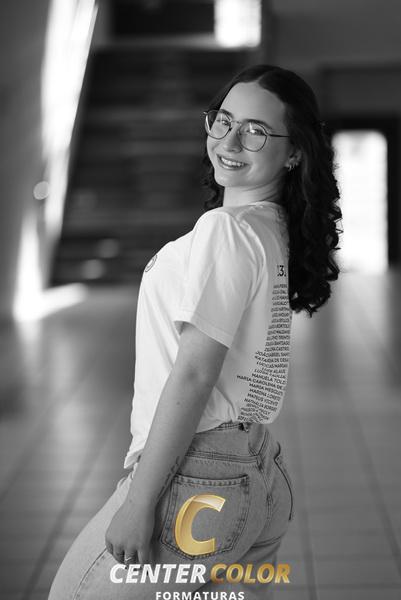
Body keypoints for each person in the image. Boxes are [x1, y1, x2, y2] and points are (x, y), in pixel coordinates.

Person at [48, 64, 341, 600]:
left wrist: (139, 503)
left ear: (295, 152)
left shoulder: (226, 229)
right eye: (223, 120)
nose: (229, 140)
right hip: (260, 478)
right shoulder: (271, 227)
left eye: (256, 130)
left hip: (197, 482)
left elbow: (194, 373)